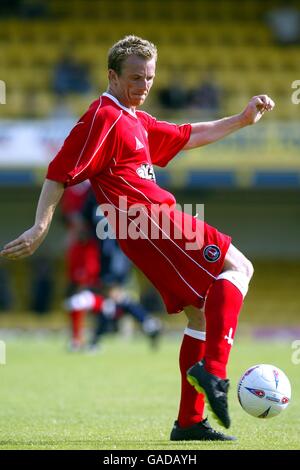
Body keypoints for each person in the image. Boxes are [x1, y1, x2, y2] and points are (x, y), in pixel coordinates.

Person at [0, 35, 275, 441]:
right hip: (147, 218)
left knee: (200, 313)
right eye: (134, 78)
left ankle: (188, 422)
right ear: (111, 76)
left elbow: (187, 135)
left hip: (142, 227)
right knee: (240, 266)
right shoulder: (103, 116)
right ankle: (215, 371)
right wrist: (41, 226)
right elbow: (60, 171)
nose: (144, 86)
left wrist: (240, 119)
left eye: (149, 78)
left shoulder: (134, 118)